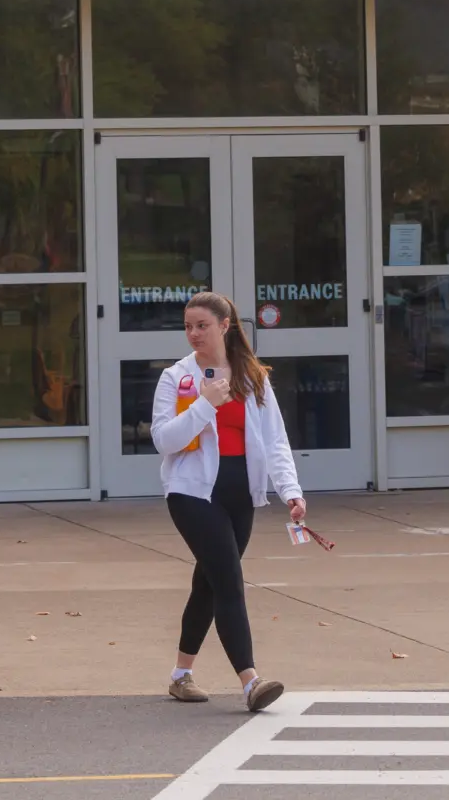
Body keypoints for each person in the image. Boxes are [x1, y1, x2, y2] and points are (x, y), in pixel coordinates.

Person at [151, 291, 305, 713]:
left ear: (224, 325)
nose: (193, 333)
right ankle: (250, 681)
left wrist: (289, 490)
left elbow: (274, 440)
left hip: (241, 493)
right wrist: (205, 404)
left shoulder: (252, 376)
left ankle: (181, 675)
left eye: (202, 325)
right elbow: (164, 440)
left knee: (210, 582)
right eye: (187, 326)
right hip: (191, 492)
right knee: (230, 581)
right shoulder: (177, 378)